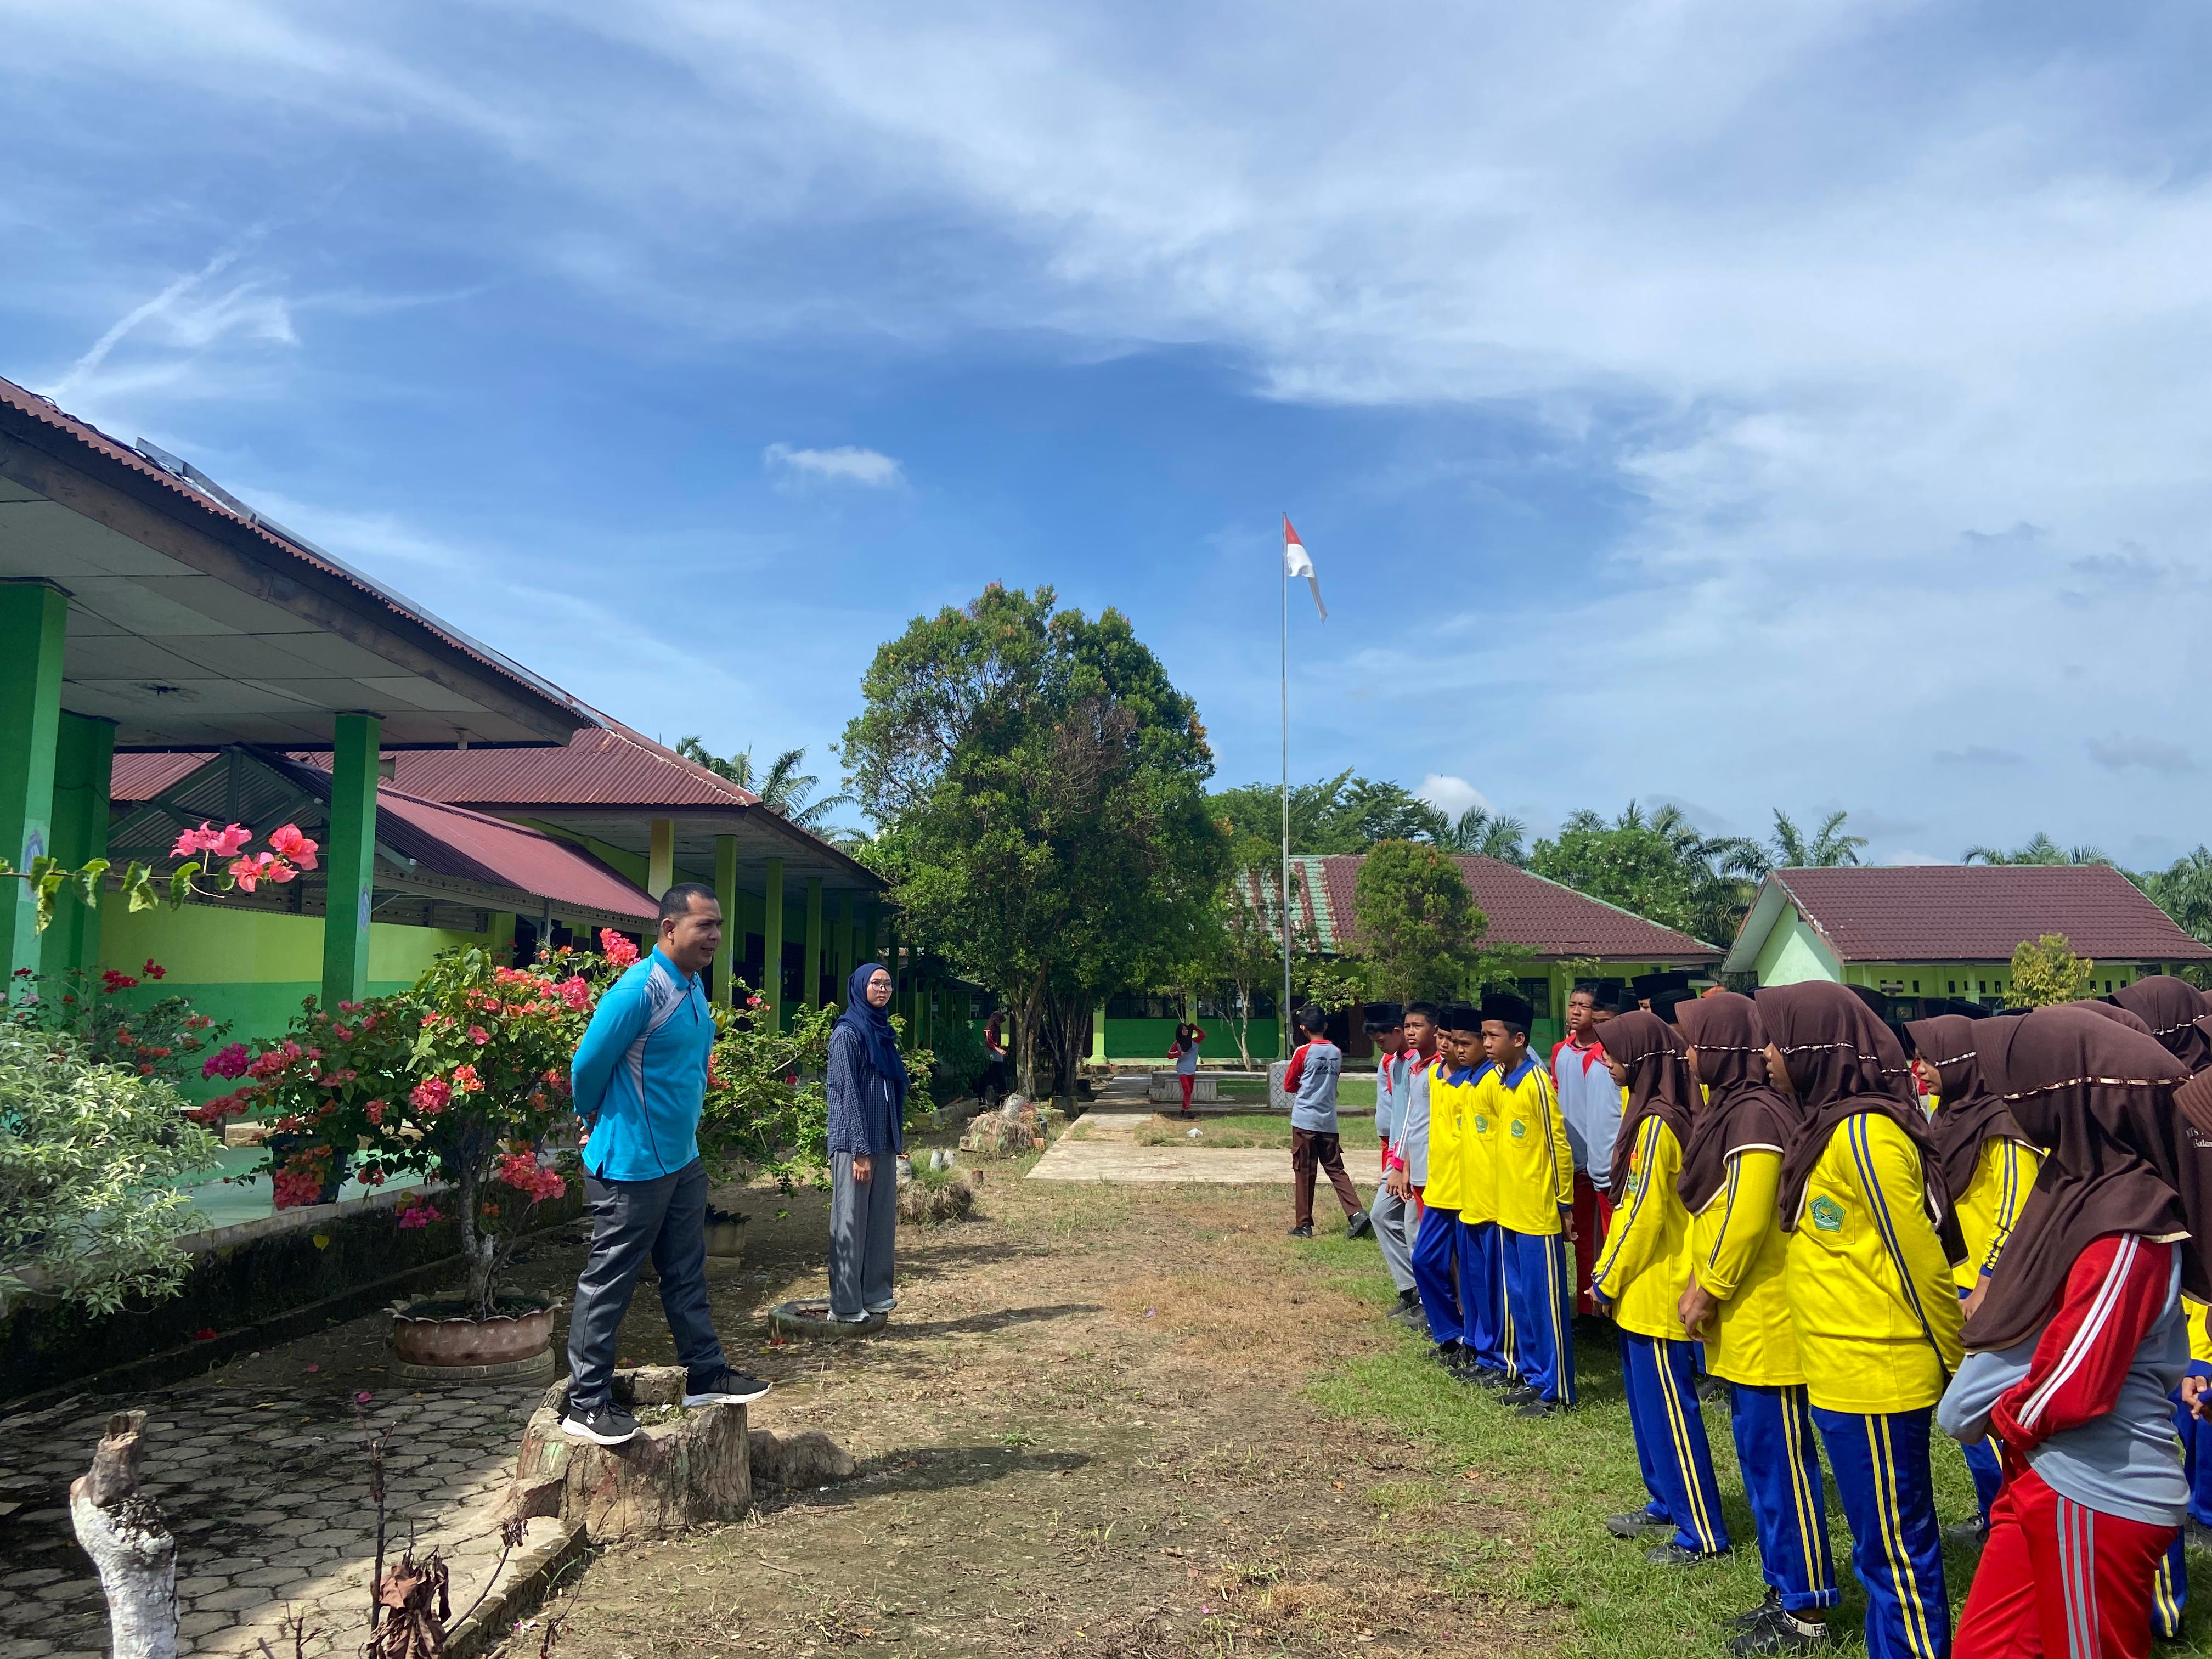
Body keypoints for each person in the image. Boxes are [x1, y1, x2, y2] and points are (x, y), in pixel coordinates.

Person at [1939, 1004, 2203, 1659]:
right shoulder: (2077, 1188)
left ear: (2065, 1097)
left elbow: (2076, 1381)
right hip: (2046, 1474)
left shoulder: (2128, 1220)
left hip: (2097, 1491)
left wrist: (2002, 1414)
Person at [1762, 980, 1962, 1659]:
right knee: (1876, 1551)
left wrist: (1965, 1370)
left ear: (1814, 1047)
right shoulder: (1828, 1124)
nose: (1764, 1052)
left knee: (1896, 1558)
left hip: (1876, 1371)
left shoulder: (1866, 1136)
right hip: (1842, 1372)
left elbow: (1923, 1267)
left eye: (1777, 1039)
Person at [562, 883, 770, 1446]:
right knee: (611, 1281)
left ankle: (705, 1374)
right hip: (632, 1164)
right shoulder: (639, 990)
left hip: (682, 1159)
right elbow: (587, 1066)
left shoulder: (693, 987)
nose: (716, 936)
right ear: (669, 929)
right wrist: (593, 1114)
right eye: (705, 925)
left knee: (686, 1272)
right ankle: (585, 1403)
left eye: (719, 925)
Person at [1677, 991, 1839, 1654]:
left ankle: (1807, 1610)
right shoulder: (1732, 1110)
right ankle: (1782, 1587)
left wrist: (1707, 1287)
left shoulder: (1754, 1114)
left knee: (1783, 1465)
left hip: (1767, 1316)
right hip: (1746, 1322)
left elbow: (1746, 1219)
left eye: (1695, 1040)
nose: (1687, 1054)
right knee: (1761, 1459)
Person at [1588, 1009, 1730, 1565]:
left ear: (1643, 1060)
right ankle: (1665, 1502)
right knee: (1649, 1414)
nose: (1605, 1062)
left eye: (1615, 1054)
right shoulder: (1645, 1111)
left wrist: (1606, 1276)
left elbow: (1643, 1217)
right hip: (1640, 1292)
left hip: (1658, 1290)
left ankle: (1703, 1531)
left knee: (1673, 1415)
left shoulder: (1657, 1125)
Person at [1904, 1012, 2042, 1548]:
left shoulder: (2002, 1120)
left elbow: (2017, 1205)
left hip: (1989, 1293)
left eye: (1931, 1058)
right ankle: (1995, 1516)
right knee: (1968, 1418)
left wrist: (1986, 1283)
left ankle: (2011, 1518)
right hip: (1953, 1285)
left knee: (1987, 1416)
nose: (1920, 1069)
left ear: (1965, 1060)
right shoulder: (1948, 1115)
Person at [1478, 990, 1577, 1417]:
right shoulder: (1500, 1080)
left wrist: (1565, 1204)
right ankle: (1536, 1378)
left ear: (1518, 1039)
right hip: (1509, 1210)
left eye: (1492, 1036)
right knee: (1520, 1299)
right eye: (1483, 1035)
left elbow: (1558, 1148)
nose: (1485, 1043)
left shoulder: (1537, 1083)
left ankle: (1559, 1391)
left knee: (1545, 1302)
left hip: (1538, 1212)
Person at [827, 961, 910, 1322]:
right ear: (860, 986)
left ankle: (876, 1294)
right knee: (851, 1221)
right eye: (876, 983)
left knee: (879, 1223)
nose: (882, 989)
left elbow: (890, 1090)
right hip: (854, 1144)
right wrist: (860, 1150)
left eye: (888, 984)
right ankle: (845, 1305)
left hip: (883, 1141)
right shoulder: (848, 1034)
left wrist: (896, 1137)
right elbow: (848, 1096)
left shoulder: (883, 1032)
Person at [1441, 1004, 1509, 1385]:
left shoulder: (1496, 1082)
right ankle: (1482, 1350)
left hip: (1492, 1203)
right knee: (1473, 1283)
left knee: (1492, 1286)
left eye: (1469, 1042)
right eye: (1457, 1042)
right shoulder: (1465, 1082)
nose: (1461, 1049)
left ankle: (1498, 1356)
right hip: (1468, 1200)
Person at [1402, 1002, 1464, 1357]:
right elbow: (1418, 1125)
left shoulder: (1477, 1079)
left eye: (1448, 1037)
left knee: (1459, 1264)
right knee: (1427, 1258)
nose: (1442, 1043)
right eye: (1440, 1035)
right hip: (1436, 1180)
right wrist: (1407, 1163)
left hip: (1462, 1186)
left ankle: (1466, 1337)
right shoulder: (1432, 1075)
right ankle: (1449, 1332)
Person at [1554, 984, 1620, 1316]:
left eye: (1585, 1006)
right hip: (1573, 1159)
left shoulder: (1606, 1059)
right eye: (1573, 1004)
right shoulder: (1560, 1052)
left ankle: (1606, 1307)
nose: (1577, 1011)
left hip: (1601, 1159)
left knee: (1608, 1236)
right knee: (1581, 1238)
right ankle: (1585, 1306)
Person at [1283, 1006, 1370, 1240]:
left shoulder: (1303, 1052)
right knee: (1336, 1169)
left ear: (1303, 1029)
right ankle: (1357, 1213)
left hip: (1305, 1120)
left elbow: (1289, 1085)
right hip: (1329, 1121)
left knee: (1304, 1171)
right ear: (1325, 1026)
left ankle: (1304, 1224)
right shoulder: (1336, 1052)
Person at [1364, 1002, 1423, 1323]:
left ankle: (1427, 1299)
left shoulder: (1419, 1064)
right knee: (1382, 1216)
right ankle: (1410, 1289)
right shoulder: (1396, 1063)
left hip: (1413, 1158)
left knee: (1414, 1228)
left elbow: (1416, 1120)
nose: (1380, 1048)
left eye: (1382, 1040)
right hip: (1398, 1155)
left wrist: (1405, 1163)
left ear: (1397, 1032)